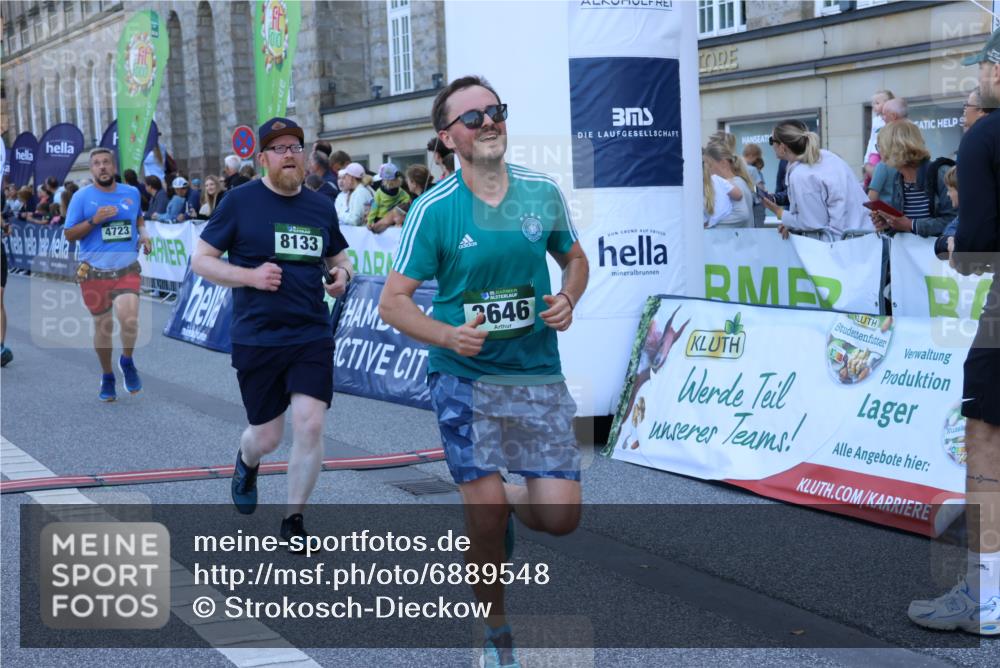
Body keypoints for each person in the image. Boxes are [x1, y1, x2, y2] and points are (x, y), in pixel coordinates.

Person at [379, 76, 589, 668]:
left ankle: (510, 497)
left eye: (495, 111)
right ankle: (496, 628)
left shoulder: (540, 192)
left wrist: (569, 296)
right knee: (486, 511)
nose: (489, 122)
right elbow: (392, 303)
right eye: (473, 118)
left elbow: (573, 258)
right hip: (462, 377)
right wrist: (448, 334)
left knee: (561, 518)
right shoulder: (433, 210)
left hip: (536, 374)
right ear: (447, 138)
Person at [191, 117, 353, 546]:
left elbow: (340, 257)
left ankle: (293, 521)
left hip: (310, 333)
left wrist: (342, 276)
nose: (288, 155)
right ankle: (247, 461)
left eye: (294, 148)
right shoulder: (240, 202)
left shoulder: (320, 205)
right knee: (267, 435)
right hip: (258, 335)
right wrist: (250, 276)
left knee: (311, 423)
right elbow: (202, 260)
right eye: (278, 148)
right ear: (262, 158)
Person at [908, 29, 1000, 636]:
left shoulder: (985, 135)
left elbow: (976, 248)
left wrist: (949, 244)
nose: (980, 78)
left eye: (985, 65)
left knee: (986, 436)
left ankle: (985, 598)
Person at [62, 148, 152, 401]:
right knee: (103, 326)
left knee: (129, 319)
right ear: (91, 169)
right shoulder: (82, 198)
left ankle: (127, 360)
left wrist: (144, 236)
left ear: (114, 167)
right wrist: (94, 220)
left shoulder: (132, 192)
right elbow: (69, 234)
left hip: (126, 268)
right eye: (97, 164)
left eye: (106, 162)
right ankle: (107, 374)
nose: (102, 167)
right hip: (93, 272)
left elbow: (139, 219)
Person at [761, 119, 872, 241]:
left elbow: (813, 223)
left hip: (841, 246)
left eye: (772, 141)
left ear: (782, 147)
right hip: (863, 237)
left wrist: (779, 212)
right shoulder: (827, 157)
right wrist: (792, 224)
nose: (771, 146)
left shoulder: (801, 174)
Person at [871, 120, 956, 237]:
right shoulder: (899, 178)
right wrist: (889, 224)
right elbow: (904, 225)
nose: (879, 151)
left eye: (879, 146)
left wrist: (911, 225)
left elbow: (953, 222)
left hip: (938, 253)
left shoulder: (941, 173)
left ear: (894, 148)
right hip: (912, 253)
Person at [703, 141, 754, 228]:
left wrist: (710, 226)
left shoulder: (734, 184)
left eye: (710, 165)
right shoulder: (737, 182)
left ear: (723, 163)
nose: (707, 171)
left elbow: (742, 215)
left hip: (741, 240)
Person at [367, 163, 411, 233]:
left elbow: (374, 207)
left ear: (384, 179)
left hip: (380, 220)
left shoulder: (379, 193)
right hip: (393, 220)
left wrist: (370, 220)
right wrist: (398, 206)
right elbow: (407, 199)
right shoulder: (400, 191)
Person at [334, 162, 373, 226]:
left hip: (361, 234)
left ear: (351, 178)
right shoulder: (360, 191)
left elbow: (354, 221)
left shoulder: (360, 193)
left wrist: (338, 214)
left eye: (345, 177)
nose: (343, 180)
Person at [702, 157, 735, 228]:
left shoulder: (693, 191)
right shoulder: (717, 179)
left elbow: (704, 224)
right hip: (730, 225)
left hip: (713, 228)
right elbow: (739, 195)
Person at [865, 89, 895, 162]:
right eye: (873, 104)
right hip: (875, 152)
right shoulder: (875, 121)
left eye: (877, 103)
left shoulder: (893, 119)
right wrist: (866, 159)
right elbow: (872, 139)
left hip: (889, 153)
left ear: (888, 104)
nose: (874, 106)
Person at [742, 143, 767, 227]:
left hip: (744, 205)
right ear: (752, 156)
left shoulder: (737, 168)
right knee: (758, 232)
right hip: (757, 204)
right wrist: (764, 193)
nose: (757, 160)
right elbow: (760, 188)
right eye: (757, 158)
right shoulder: (753, 170)